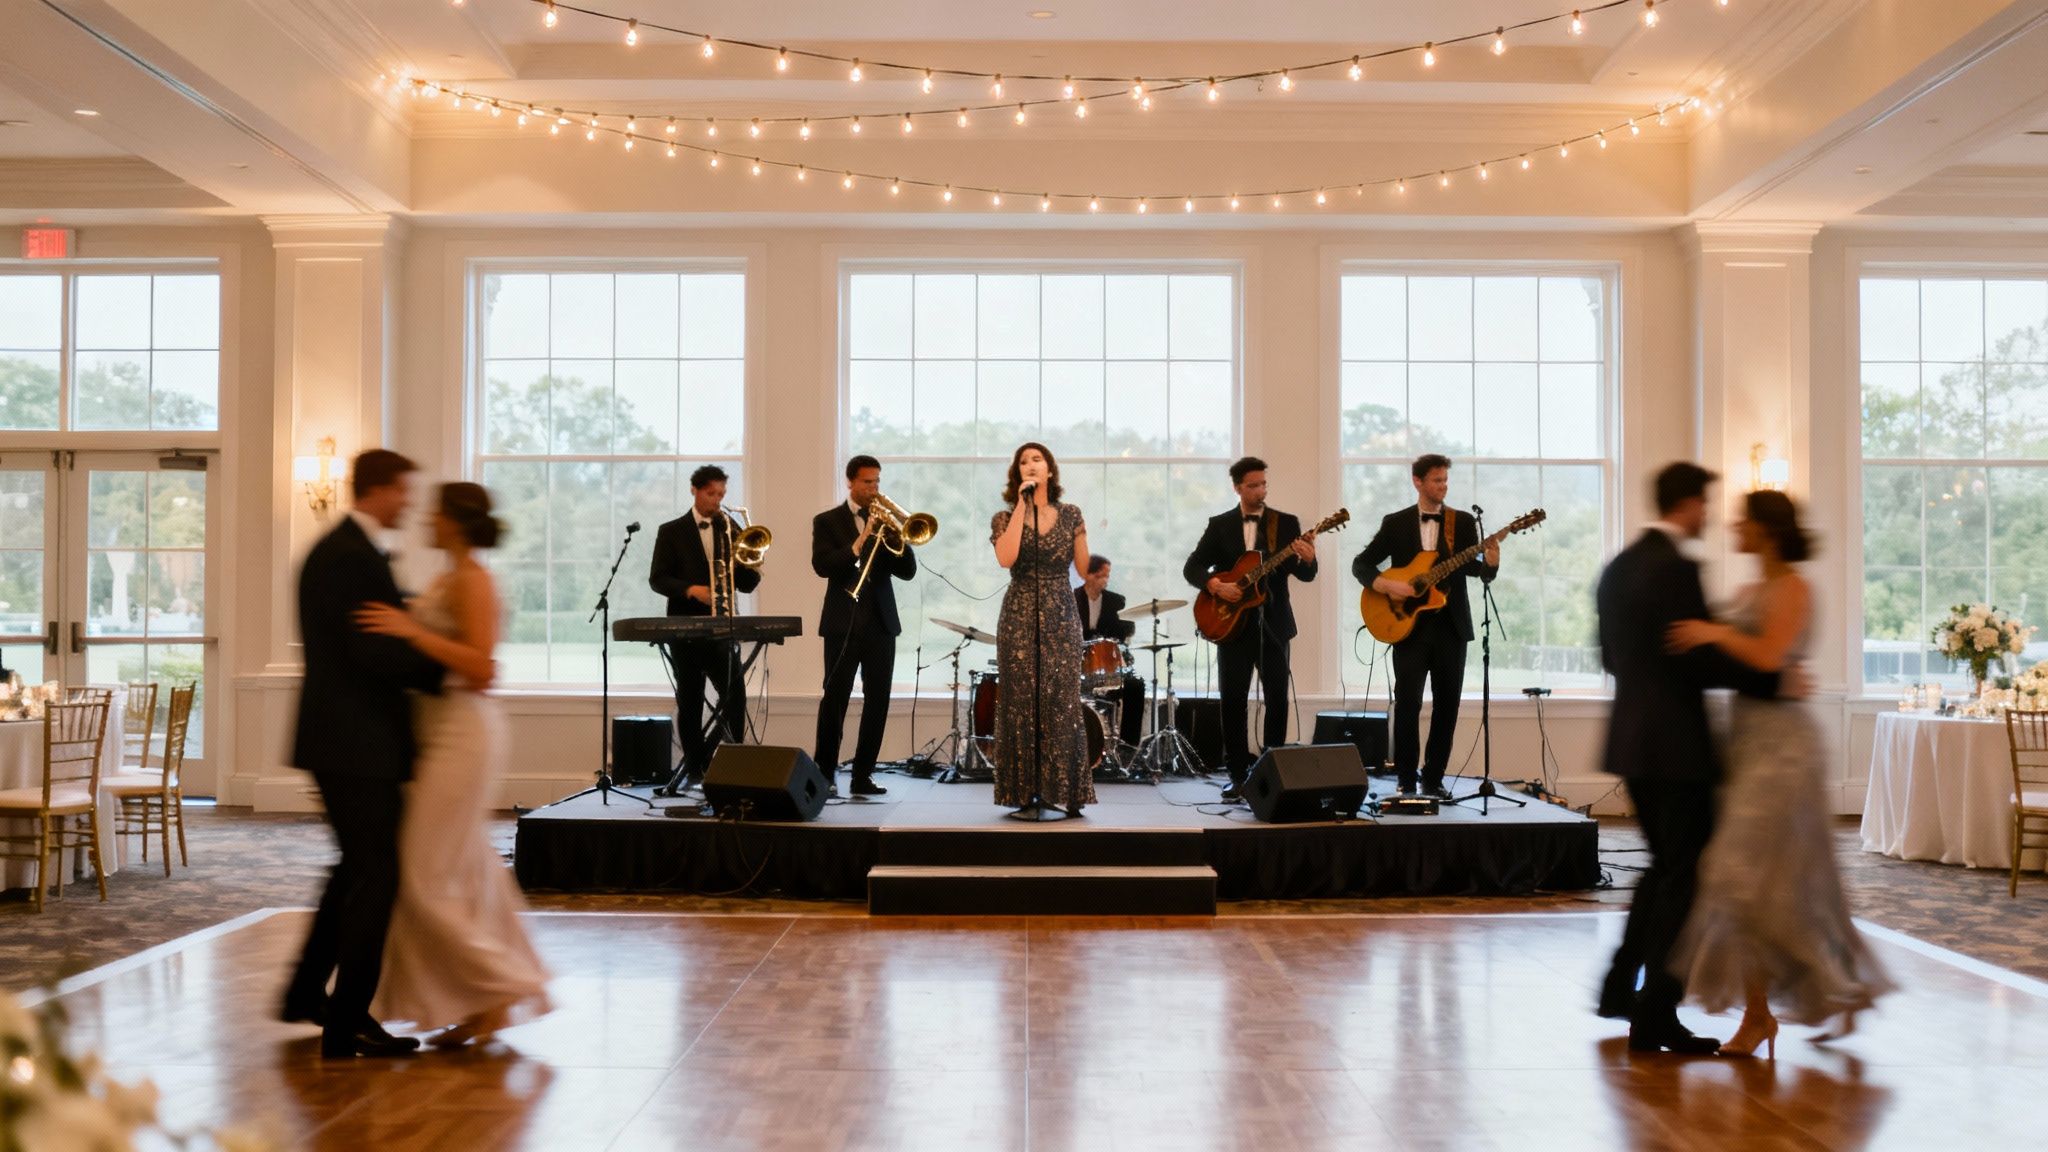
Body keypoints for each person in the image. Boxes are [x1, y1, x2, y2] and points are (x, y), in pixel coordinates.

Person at [1664, 490, 1890, 1057]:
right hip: (1743, 741)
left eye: (1743, 519)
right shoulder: (1748, 590)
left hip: (1784, 749)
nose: (1734, 526)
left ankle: (1824, 993)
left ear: (1765, 529)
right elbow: (1738, 661)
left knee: (1746, 878)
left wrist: (1715, 633)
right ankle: (1764, 1014)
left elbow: (1767, 656)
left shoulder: (1795, 587)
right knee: (1762, 889)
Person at [1594, 462, 1795, 1055]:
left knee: (1665, 869)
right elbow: (1696, 659)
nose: (1709, 515)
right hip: (1677, 747)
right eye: (1705, 504)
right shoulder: (1678, 568)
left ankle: (1616, 985)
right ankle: (1655, 1013)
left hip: (1630, 740)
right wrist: (1774, 679)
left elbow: (1611, 657)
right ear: (1688, 504)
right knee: (1685, 879)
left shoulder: (1619, 566)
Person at [356, 483, 553, 1047]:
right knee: (465, 868)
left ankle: (505, 981)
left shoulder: (474, 579)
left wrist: (410, 629)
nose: (426, 519)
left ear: (457, 522)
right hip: (434, 731)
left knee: (420, 874)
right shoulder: (449, 575)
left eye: (436, 513)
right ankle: (480, 1007)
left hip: (462, 733)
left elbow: (481, 667)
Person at [281, 449, 443, 1059]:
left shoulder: (346, 552)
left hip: (343, 739)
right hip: (357, 742)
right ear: (378, 490)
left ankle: (303, 991)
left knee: (355, 868)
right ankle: (345, 1023)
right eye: (404, 492)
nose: (410, 503)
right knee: (377, 877)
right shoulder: (350, 559)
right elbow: (373, 654)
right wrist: (441, 667)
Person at [1352, 454, 1500, 799]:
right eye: (1436, 480)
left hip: (1451, 626)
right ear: (1417, 481)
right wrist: (1389, 586)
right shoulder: (1395, 523)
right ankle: (1405, 777)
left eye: (1445, 480)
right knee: (1407, 703)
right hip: (1409, 627)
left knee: (1447, 705)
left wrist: (1491, 564)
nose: (1442, 486)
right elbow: (1362, 564)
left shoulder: (1462, 522)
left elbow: (1474, 570)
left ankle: (1433, 779)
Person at [1182, 456, 1319, 801]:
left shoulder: (1286, 524)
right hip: (1231, 625)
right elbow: (1192, 567)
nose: (1261, 491)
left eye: (1264, 484)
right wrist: (1215, 586)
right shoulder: (1220, 524)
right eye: (1253, 485)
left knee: (1277, 699)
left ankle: (1272, 770)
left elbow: (1304, 575)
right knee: (1233, 701)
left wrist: (1308, 558)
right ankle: (1238, 773)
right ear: (1237, 487)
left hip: (1274, 623)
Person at [989, 442, 1092, 820]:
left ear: (1050, 470)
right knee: (1020, 701)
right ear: (1018, 474)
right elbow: (1006, 558)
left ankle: (1068, 791)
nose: (1030, 465)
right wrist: (1022, 506)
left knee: (1061, 701)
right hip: (1018, 613)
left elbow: (1082, 570)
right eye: (1023, 462)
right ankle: (1024, 792)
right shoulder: (1004, 516)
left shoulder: (1071, 514)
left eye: (1037, 460)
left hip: (1060, 613)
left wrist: (1082, 534)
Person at [811, 455, 916, 799]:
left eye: (877, 482)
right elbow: (823, 566)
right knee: (835, 701)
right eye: (868, 482)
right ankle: (825, 773)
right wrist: (860, 540)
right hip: (842, 624)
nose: (874, 489)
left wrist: (898, 533)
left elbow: (907, 572)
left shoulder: (887, 523)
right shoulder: (827, 521)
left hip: (881, 625)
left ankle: (863, 776)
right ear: (851, 482)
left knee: (878, 702)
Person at [649, 465, 759, 786]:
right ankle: (697, 769)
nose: (717, 501)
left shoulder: (731, 528)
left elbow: (749, 583)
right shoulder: (671, 531)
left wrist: (751, 558)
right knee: (691, 699)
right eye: (711, 494)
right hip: (684, 628)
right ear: (694, 491)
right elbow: (658, 578)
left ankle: (733, 764)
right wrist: (690, 590)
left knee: (735, 695)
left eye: (721, 495)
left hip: (722, 628)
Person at [1076, 555, 1145, 746]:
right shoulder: (1072, 598)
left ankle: (1128, 745)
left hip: (1109, 666)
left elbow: (1126, 632)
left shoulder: (1116, 601)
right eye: (1100, 576)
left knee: (1136, 685)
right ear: (1087, 575)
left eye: (1108, 576)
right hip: (1077, 667)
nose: (1105, 580)